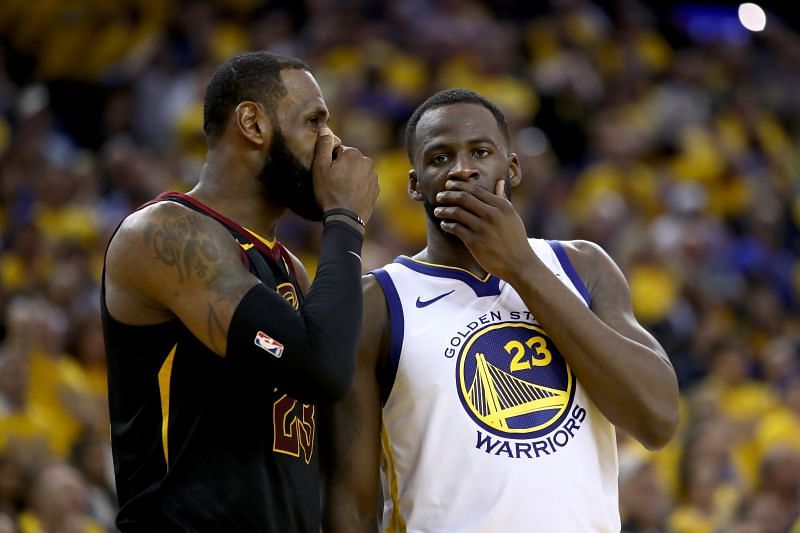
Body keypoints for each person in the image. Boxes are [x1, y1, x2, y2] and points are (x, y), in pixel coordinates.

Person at [322, 89, 679, 532]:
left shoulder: (582, 266)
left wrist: (522, 268)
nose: (462, 168)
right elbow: (351, 503)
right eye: (439, 158)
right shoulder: (377, 303)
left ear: (511, 168)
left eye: (481, 151)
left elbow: (657, 419)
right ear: (415, 185)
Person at [101, 51, 378, 531]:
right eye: (314, 121)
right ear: (252, 123)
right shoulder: (165, 233)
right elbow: (322, 369)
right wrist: (346, 220)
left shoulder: (289, 266)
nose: (331, 145)